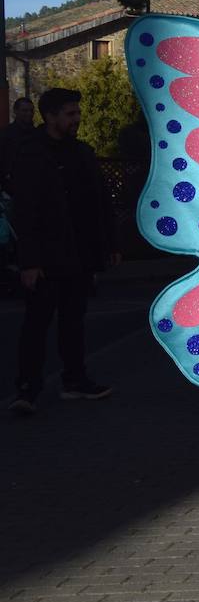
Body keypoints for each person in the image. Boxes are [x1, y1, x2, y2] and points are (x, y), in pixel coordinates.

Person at [8, 88, 119, 414]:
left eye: (77, 113)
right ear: (51, 117)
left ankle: (75, 380)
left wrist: (110, 244)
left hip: (79, 253)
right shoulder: (31, 154)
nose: (76, 119)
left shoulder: (82, 153)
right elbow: (26, 211)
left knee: (74, 321)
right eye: (69, 114)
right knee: (37, 323)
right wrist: (29, 261)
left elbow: (100, 201)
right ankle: (27, 389)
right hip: (45, 257)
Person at [0, 96, 36, 190]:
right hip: (11, 188)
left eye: (31, 110)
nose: (29, 113)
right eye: (24, 110)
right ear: (15, 111)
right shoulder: (5, 135)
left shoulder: (38, 135)